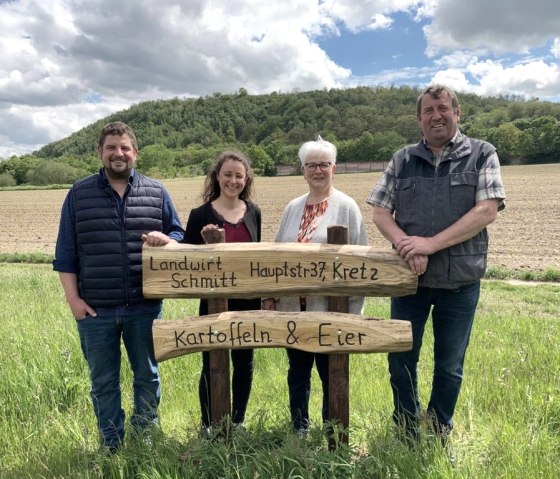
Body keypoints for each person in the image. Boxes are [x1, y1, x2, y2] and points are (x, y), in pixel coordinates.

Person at [367, 85, 506, 447]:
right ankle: (407, 428)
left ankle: (439, 427)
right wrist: (403, 243)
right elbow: (381, 211)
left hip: (460, 281)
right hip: (408, 281)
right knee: (400, 361)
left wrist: (430, 244)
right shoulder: (402, 159)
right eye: (428, 110)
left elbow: (486, 210)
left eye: (443, 108)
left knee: (449, 366)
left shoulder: (481, 154)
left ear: (457, 113)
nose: (435, 115)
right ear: (419, 119)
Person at [53, 121, 184, 453]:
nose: (118, 153)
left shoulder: (156, 191)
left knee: (148, 377)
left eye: (124, 147)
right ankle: (111, 444)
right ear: (100, 152)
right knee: (104, 384)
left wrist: (167, 240)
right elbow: (65, 254)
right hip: (96, 310)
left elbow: (179, 233)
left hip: (145, 307)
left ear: (135, 153)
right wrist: (74, 301)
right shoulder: (79, 194)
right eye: (111, 147)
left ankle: (146, 440)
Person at [263, 136, 367, 435]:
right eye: (312, 165)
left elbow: (360, 260)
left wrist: (352, 312)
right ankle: (300, 427)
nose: (318, 171)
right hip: (294, 309)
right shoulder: (292, 208)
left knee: (330, 373)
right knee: (298, 372)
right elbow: (276, 256)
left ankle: (332, 429)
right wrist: (271, 296)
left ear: (334, 168)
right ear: (303, 169)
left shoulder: (347, 207)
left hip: (330, 310)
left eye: (324, 164)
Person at [182, 151, 261, 435]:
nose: (233, 180)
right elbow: (187, 263)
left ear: (246, 179)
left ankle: (237, 422)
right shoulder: (199, 215)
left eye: (239, 176)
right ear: (217, 176)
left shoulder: (254, 212)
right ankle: (209, 424)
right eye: (227, 174)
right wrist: (205, 245)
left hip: (248, 302)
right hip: (213, 304)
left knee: (244, 363)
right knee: (212, 363)